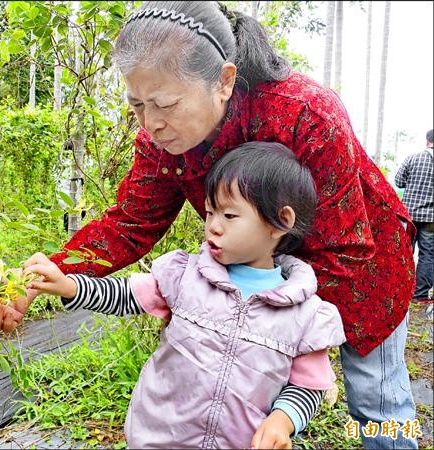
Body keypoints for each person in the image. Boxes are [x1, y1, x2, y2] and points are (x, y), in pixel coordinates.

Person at [0, 2, 418, 448]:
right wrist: (42, 276)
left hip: (364, 271)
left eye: (165, 104)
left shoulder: (304, 114)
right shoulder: (159, 142)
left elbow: (346, 248)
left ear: (223, 82)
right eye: (137, 106)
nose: (151, 124)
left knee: (377, 406)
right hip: (256, 276)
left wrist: (272, 323)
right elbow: (130, 223)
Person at [17, 142, 346, 449]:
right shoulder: (185, 276)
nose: (214, 226)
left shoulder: (306, 314)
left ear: (280, 222)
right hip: (159, 439)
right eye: (210, 212)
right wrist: (71, 285)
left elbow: (309, 384)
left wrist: (282, 420)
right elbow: (126, 295)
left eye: (229, 215)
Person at [395, 129, 434, 303]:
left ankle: (400, 291)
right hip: (431, 218)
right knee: (427, 255)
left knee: (405, 252)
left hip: (409, 215)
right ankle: (420, 296)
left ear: (427, 141)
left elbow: (398, 181)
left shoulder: (413, 158)